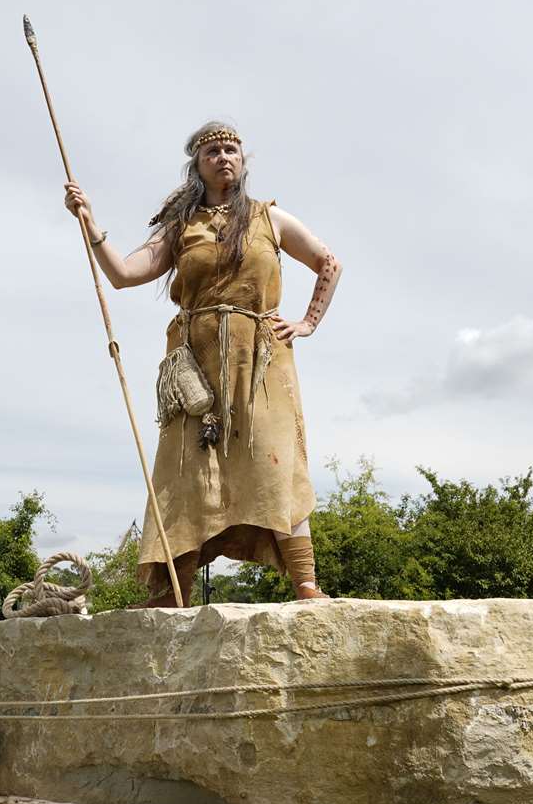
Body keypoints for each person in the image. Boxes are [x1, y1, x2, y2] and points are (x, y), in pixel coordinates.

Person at [63, 120, 343, 605]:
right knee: (185, 469)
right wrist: (90, 225)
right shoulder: (182, 226)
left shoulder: (268, 218)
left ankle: (305, 584)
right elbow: (125, 274)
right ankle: (175, 589)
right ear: (197, 163)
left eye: (231, 148)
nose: (223, 157)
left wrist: (308, 322)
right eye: (212, 151)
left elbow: (329, 263)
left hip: (260, 358)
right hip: (194, 362)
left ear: (243, 159)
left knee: (276, 460)